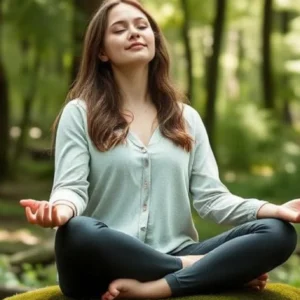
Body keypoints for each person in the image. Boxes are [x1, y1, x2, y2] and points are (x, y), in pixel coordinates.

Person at [20, 0, 299, 299]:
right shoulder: (79, 113)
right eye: (120, 29)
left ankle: (158, 287)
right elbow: (70, 187)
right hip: (102, 261)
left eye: (142, 27)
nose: (135, 33)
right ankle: (194, 267)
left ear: (154, 40)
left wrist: (272, 209)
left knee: (278, 232)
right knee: (77, 232)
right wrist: (60, 210)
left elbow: (212, 199)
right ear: (101, 51)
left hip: (177, 248)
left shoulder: (185, 118)